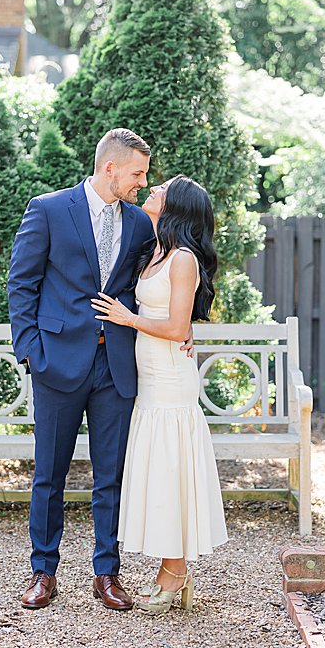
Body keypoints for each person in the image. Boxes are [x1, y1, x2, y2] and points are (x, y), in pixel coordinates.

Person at [7, 128, 192, 611]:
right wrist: (30, 351)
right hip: (57, 363)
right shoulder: (47, 209)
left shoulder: (138, 225)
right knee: (49, 474)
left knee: (110, 475)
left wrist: (186, 324)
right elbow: (21, 284)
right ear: (110, 168)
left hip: (116, 367)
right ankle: (42, 571)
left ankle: (106, 574)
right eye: (137, 173)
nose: (141, 182)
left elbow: (173, 270)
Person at [91, 174, 229, 614]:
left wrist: (125, 317)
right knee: (159, 470)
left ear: (178, 207)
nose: (152, 190)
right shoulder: (156, 250)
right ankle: (171, 567)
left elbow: (173, 327)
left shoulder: (183, 259)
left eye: (162, 189)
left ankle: (175, 570)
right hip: (148, 379)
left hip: (170, 378)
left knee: (172, 471)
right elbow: (176, 319)